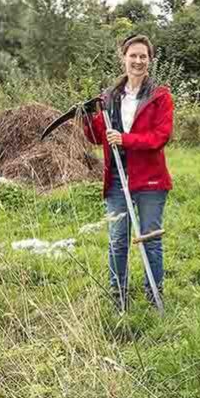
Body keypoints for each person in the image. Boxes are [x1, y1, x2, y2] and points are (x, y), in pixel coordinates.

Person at [83, 34, 173, 309]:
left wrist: (126, 140)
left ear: (149, 60)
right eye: (132, 55)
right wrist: (88, 119)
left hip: (150, 181)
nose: (137, 61)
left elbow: (161, 136)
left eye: (143, 56)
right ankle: (118, 296)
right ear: (123, 58)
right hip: (116, 180)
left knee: (151, 240)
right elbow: (98, 137)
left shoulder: (160, 96)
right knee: (118, 240)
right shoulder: (109, 97)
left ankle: (154, 295)